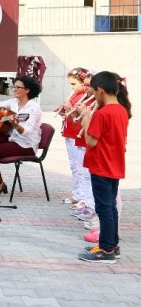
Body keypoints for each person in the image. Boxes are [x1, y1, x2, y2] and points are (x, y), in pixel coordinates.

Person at [77, 72, 131, 264]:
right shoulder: (121, 110)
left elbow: (91, 141)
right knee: (110, 208)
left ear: (100, 90)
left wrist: (85, 119)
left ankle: (106, 249)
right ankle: (112, 244)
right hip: (113, 163)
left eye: (93, 92)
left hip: (101, 164)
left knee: (104, 208)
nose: (92, 95)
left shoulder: (102, 113)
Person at [58, 68, 94, 215]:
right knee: (75, 166)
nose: (72, 88)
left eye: (74, 84)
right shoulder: (78, 95)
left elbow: (83, 119)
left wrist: (71, 109)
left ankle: (84, 198)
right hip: (71, 133)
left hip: (78, 135)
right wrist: (64, 111)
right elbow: (72, 115)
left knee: (82, 169)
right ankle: (78, 194)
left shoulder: (86, 96)